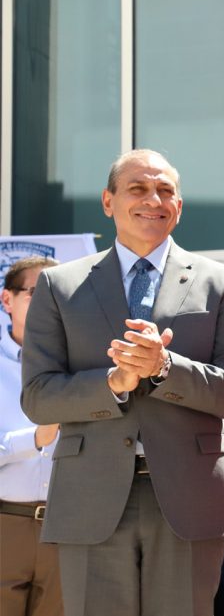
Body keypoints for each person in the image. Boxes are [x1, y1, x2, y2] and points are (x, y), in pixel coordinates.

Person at [21, 149, 224, 616]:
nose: (153, 200)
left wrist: (165, 368)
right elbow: (39, 397)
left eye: (165, 191)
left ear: (179, 207)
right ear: (108, 201)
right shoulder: (59, 286)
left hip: (190, 498)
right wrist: (114, 381)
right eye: (138, 189)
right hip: (90, 498)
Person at [1, 256, 62, 616]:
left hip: (66, 529)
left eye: (57, 294)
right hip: (5, 524)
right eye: (36, 292)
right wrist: (36, 438)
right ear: (6, 299)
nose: (47, 302)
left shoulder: (82, 367)